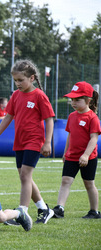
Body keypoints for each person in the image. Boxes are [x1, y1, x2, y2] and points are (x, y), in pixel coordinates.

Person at [0, 59, 55, 225]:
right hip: (20, 141)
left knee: (25, 176)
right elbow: (8, 116)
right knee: (25, 177)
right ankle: (43, 208)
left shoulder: (39, 95)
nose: (17, 83)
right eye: (15, 80)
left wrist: (47, 142)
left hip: (34, 140)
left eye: (20, 80)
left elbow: (49, 119)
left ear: (32, 78)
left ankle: (22, 213)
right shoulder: (16, 96)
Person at [52, 81, 101, 219]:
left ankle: (94, 211)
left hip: (88, 158)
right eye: (72, 99)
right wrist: (65, 152)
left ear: (88, 100)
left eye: (77, 100)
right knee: (65, 181)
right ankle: (59, 208)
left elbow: (93, 139)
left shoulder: (92, 117)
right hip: (72, 156)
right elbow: (70, 135)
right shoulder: (72, 116)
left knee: (89, 183)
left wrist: (85, 155)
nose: (73, 102)